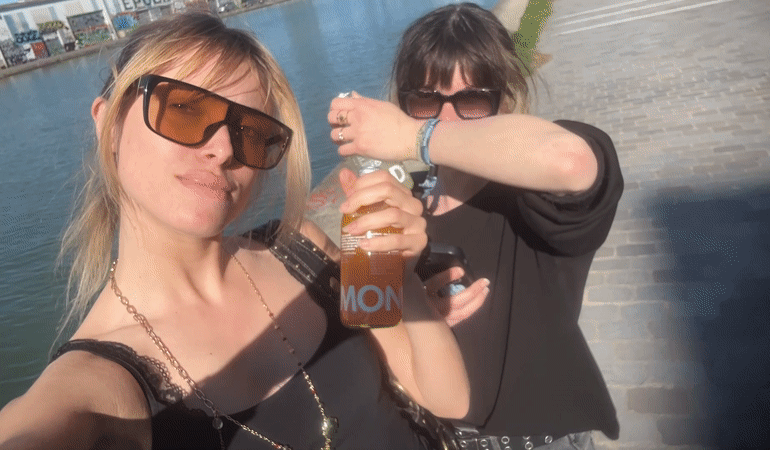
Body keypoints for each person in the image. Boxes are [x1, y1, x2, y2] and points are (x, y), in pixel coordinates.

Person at [0, 12, 469, 450]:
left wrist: (399, 276)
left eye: (252, 132)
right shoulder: (94, 387)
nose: (224, 149)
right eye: (184, 109)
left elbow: (443, 399)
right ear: (108, 124)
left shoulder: (308, 247)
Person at [326, 3, 623, 449]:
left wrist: (416, 137)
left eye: (472, 101)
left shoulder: (534, 199)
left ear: (506, 101)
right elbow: (375, 332)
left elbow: (571, 161)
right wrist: (409, 302)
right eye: (425, 100)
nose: (447, 119)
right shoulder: (405, 205)